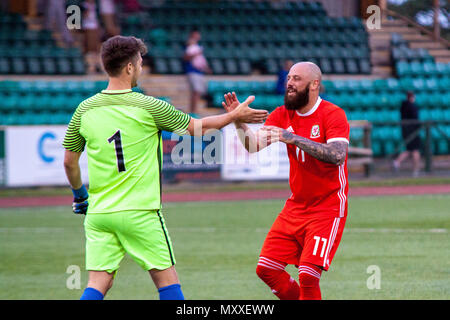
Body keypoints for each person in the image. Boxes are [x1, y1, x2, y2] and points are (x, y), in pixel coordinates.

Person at [62, 35, 268, 300]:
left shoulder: (84, 110)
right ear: (128, 67)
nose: (140, 68)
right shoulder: (150, 106)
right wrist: (233, 116)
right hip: (141, 212)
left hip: (100, 214)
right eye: (139, 62)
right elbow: (197, 128)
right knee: (168, 285)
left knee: (98, 284)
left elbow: (69, 162)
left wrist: (80, 197)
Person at [222, 62, 349, 300]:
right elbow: (252, 145)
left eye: (297, 79)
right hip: (296, 206)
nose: (289, 83)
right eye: (289, 78)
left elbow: (337, 156)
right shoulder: (282, 114)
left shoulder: (333, 114)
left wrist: (292, 138)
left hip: (328, 207)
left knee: (309, 275)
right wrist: (238, 120)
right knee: (266, 269)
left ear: (314, 84)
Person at [393, 91, 421, 177]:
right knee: (415, 150)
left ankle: (397, 162)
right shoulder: (412, 107)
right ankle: (416, 170)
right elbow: (415, 119)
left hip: (405, 131)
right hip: (412, 131)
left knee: (410, 150)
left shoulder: (403, 106)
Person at [183, 28, 211, 115]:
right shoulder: (189, 46)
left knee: (198, 92)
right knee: (195, 91)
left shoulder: (197, 46)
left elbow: (200, 60)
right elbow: (185, 58)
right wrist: (195, 54)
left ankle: (194, 110)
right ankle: (193, 111)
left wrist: (206, 68)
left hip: (199, 71)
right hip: (192, 71)